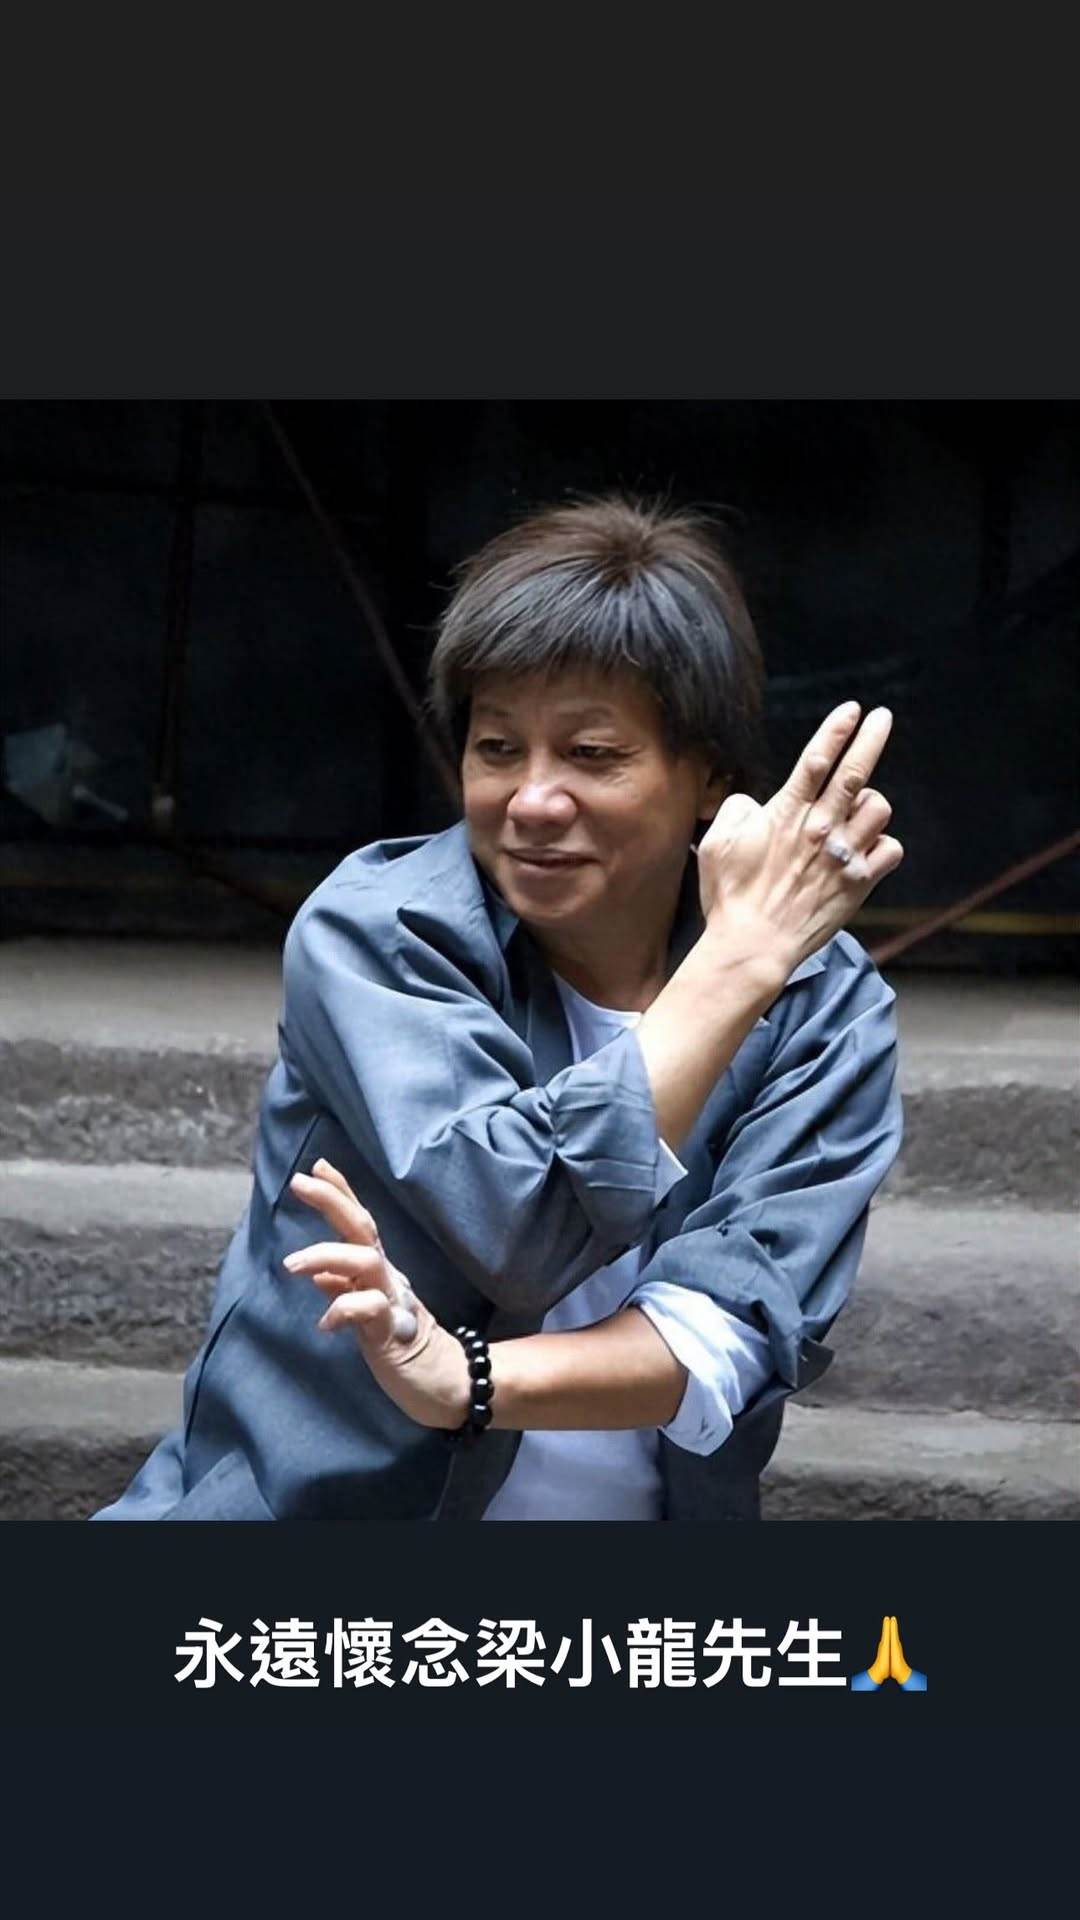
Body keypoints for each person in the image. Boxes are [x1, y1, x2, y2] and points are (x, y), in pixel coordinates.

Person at [93, 494, 903, 1523]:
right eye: (497, 748)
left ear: (709, 782)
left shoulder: (823, 1005)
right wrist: (739, 960)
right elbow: (519, 1222)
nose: (532, 801)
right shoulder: (382, 930)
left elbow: (735, 1324)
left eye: (592, 754)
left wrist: (466, 1380)